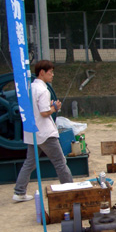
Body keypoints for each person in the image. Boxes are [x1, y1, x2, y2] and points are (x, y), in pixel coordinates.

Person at [13, 60, 73, 202]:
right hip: (46, 133)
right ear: (42, 73)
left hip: (32, 132)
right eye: (50, 72)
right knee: (60, 162)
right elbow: (44, 112)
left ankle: (19, 192)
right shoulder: (43, 90)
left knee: (30, 163)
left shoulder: (30, 88)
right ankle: (70, 189)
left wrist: (50, 107)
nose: (52, 75)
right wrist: (55, 107)